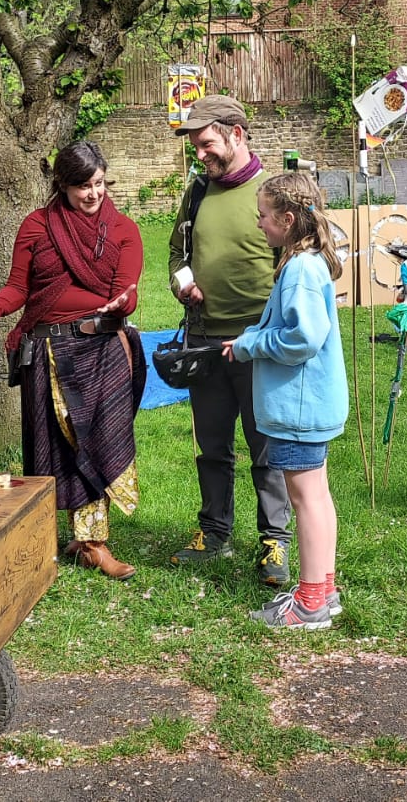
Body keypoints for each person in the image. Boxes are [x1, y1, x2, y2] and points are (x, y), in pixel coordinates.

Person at [0, 141, 145, 580]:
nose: (93, 194)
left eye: (99, 183)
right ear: (61, 185)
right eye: (82, 186)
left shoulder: (124, 231)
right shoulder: (36, 227)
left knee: (97, 442)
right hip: (48, 353)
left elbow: (127, 292)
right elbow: (18, 290)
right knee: (54, 450)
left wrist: (121, 304)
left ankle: (95, 542)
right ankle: (71, 537)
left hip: (102, 351)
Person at [167, 93, 293, 587]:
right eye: (197, 147)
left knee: (266, 448)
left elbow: (300, 263)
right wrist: (183, 283)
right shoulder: (196, 193)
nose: (201, 155)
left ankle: (273, 542)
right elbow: (175, 256)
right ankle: (214, 533)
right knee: (211, 446)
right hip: (203, 342)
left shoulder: (274, 193)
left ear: (236, 134)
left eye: (207, 144)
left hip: (259, 346)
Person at [224, 172, 347, 630]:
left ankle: (312, 602)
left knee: (306, 499)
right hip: (308, 406)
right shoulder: (306, 262)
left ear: (287, 219)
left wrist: (251, 345)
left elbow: (302, 338)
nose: (259, 224)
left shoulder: (298, 269)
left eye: (263, 216)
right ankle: (323, 589)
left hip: (298, 409)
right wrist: (251, 337)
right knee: (317, 495)